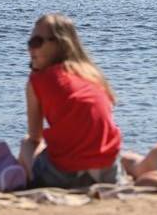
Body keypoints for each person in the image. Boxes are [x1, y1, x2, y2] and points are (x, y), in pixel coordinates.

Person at [19, 13, 122, 188]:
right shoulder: (92, 74)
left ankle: (27, 182)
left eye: (36, 42)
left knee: (26, 144)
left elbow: (34, 136)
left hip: (65, 173)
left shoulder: (38, 80)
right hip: (107, 168)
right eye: (30, 43)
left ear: (59, 44)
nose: (30, 49)